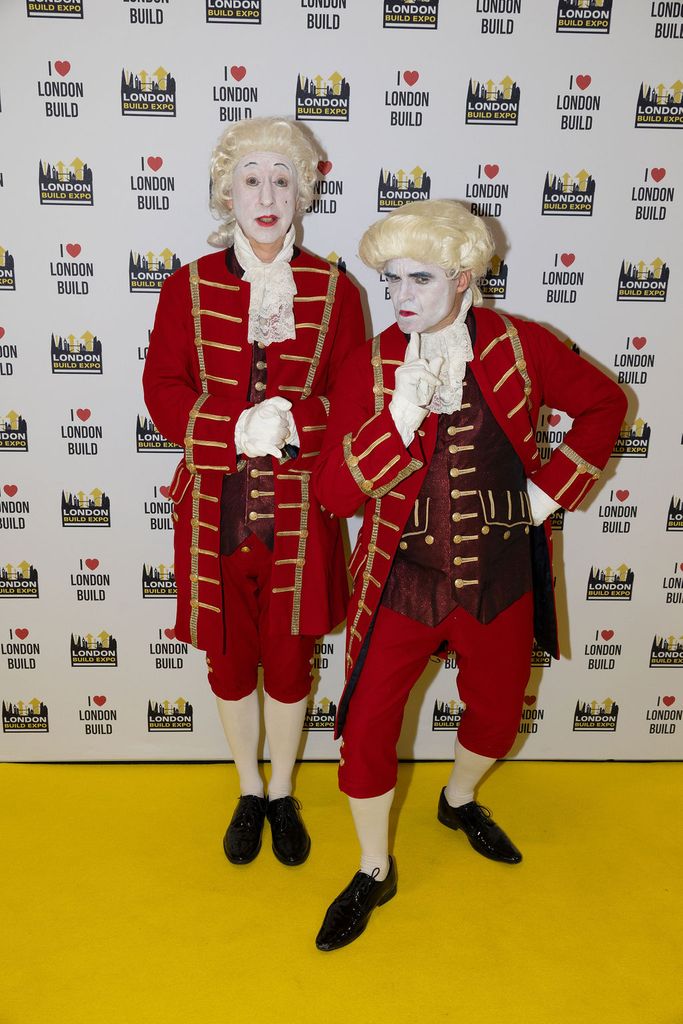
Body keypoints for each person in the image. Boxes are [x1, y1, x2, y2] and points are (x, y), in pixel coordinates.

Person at [312, 199, 627, 950]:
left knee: (496, 714)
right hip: (403, 579)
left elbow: (604, 405)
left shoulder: (520, 345)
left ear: (461, 277)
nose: (401, 297)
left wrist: (548, 492)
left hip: (499, 574)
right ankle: (373, 867)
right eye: (391, 280)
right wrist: (395, 421)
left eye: (419, 278)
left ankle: (456, 800)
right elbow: (334, 495)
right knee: (365, 728)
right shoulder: (369, 365)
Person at [143, 117, 364, 868]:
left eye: (281, 179)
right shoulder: (186, 286)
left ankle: (283, 791)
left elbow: (353, 399)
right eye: (250, 180)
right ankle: (247, 787)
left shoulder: (336, 289)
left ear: (302, 191)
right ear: (226, 192)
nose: (266, 197)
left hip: (300, 512)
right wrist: (231, 428)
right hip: (213, 509)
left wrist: (296, 422)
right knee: (229, 660)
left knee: (292, 660)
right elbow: (162, 388)